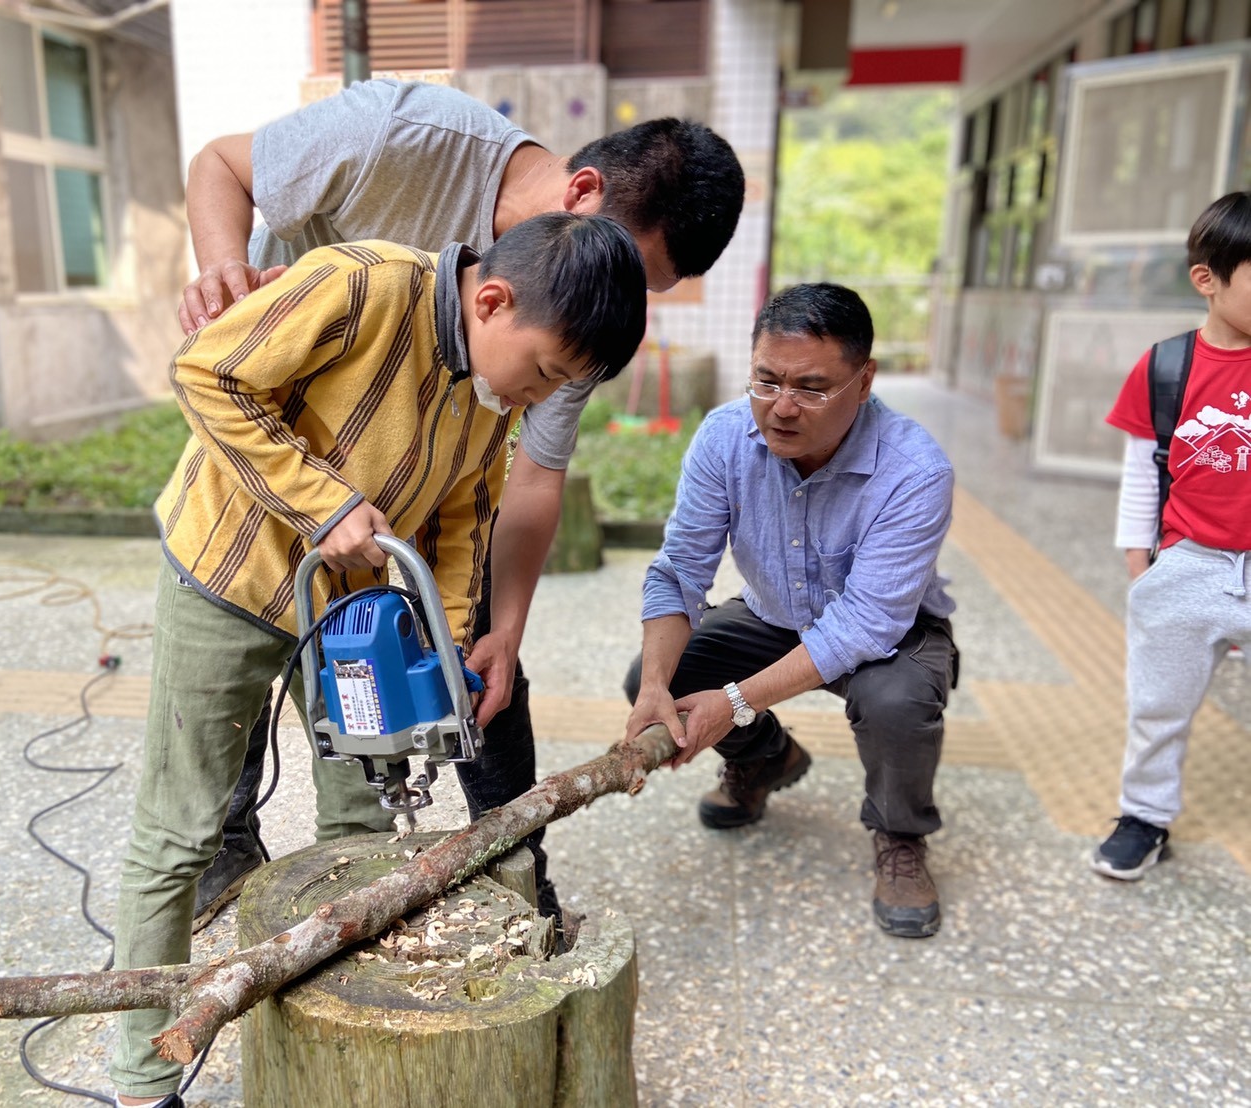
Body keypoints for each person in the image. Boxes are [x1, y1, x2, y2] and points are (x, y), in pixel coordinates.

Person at [179, 78, 746, 932]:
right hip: (285, 437)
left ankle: (513, 869)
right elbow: (221, 164)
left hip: (426, 480)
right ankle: (224, 832)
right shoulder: (404, 136)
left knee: (474, 660)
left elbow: (532, 478)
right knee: (247, 624)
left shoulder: (569, 326)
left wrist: (503, 628)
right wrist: (225, 275)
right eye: (626, 259)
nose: (617, 291)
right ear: (582, 196)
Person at [111, 211, 647, 1107]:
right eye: (546, 372)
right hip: (231, 579)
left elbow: (465, 516)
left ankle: (344, 1034)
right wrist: (322, 504)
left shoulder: (487, 396)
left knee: (361, 824)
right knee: (181, 829)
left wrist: (448, 646)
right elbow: (207, 374)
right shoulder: (360, 284)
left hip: (354, 614)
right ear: (492, 299)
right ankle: (142, 1074)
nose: (535, 399)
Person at [621, 282, 959, 939]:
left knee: (898, 702)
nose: (781, 408)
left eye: (811, 387)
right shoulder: (724, 437)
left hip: (890, 631)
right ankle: (765, 759)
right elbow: (681, 571)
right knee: (652, 675)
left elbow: (865, 623)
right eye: (766, 380)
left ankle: (899, 833)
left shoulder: (916, 470)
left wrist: (736, 702)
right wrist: (660, 688)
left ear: (865, 382)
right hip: (773, 614)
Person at [1094, 191, 1251, 881]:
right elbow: (1142, 471)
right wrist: (1141, 563)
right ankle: (1145, 817)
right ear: (1207, 280)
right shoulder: (1166, 368)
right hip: (1186, 563)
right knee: (1160, 704)